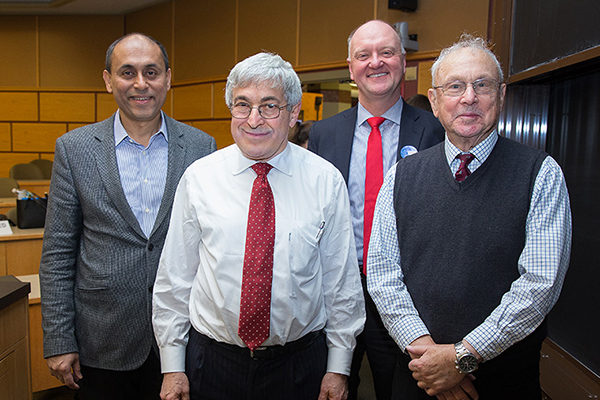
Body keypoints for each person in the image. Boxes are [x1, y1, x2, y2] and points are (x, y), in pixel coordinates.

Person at [367, 34, 572, 400]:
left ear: (502, 95)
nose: (468, 98)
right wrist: (429, 356)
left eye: (482, 85)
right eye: (455, 86)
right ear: (434, 100)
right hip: (417, 380)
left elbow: (540, 284)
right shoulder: (401, 176)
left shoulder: (541, 174)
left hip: (503, 384)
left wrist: (462, 357)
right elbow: (383, 276)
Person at [153, 52, 365, 400]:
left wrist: (339, 368)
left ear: (294, 112)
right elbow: (175, 279)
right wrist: (173, 366)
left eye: (269, 106)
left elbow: (340, 285)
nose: (254, 119)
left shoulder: (326, 181)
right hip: (212, 363)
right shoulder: (199, 179)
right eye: (242, 105)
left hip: (298, 366)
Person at [39, 33, 216, 400]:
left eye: (151, 72)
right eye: (127, 72)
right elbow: (57, 253)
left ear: (167, 78)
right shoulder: (74, 149)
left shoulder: (201, 147)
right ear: (108, 80)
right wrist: (58, 339)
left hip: (181, 337)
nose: (141, 84)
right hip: (102, 341)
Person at [308, 19, 444, 400]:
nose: (375, 62)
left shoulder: (434, 131)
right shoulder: (324, 134)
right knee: (331, 386)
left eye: (386, 52)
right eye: (363, 55)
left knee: (400, 389)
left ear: (402, 60)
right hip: (334, 289)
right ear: (350, 68)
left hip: (405, 292)